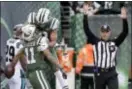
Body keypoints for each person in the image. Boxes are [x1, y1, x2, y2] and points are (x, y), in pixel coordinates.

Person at [6, 8, 69, 89]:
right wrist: (22, 30)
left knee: (53, 61)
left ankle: (64, 85)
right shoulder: (31, 20)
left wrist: (45, 45)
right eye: (38, 23)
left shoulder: (52, 24)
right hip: (32, 47)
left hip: (44, 45)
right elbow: (19, 33)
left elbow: (53, 42)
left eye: (43, 23)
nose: (40, 25)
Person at [83, 7, 128, 89]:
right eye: (103, 32)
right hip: (99, 72)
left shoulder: (114, 43)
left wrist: (124, 19)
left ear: (109, 32)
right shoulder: (95, 42)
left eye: (106, 32)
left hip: (111, 72)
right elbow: (87, 30)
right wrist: (85, 15)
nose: (105, 34)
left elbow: (124, 33)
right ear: (100, 33)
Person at [4, 24, 27, 89]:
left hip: (9, 72)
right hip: (18, 73)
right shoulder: (20, 44)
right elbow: (24, 63)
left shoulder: (8, 41)